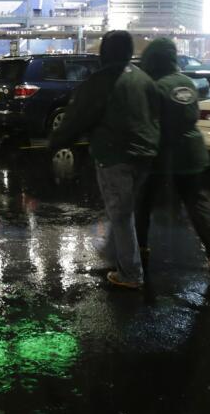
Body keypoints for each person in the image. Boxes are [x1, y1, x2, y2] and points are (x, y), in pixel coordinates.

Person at [49, 30, 160, 290]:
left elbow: (79, 116)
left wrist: (56, 141)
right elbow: (156, 115)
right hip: (145, 154)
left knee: (120, 214)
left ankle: (130, 273)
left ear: (105, 52)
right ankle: (122, 252)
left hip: (115, 155)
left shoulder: (103, 79)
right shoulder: (143, 78)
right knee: (125, 210)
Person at [135, 39, 210, 270]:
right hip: (192, 149)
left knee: (142, 199)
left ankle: (138, 248)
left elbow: (149, 121)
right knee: (195, 200)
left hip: (165, 153)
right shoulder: (186, 82)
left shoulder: (156, 86)